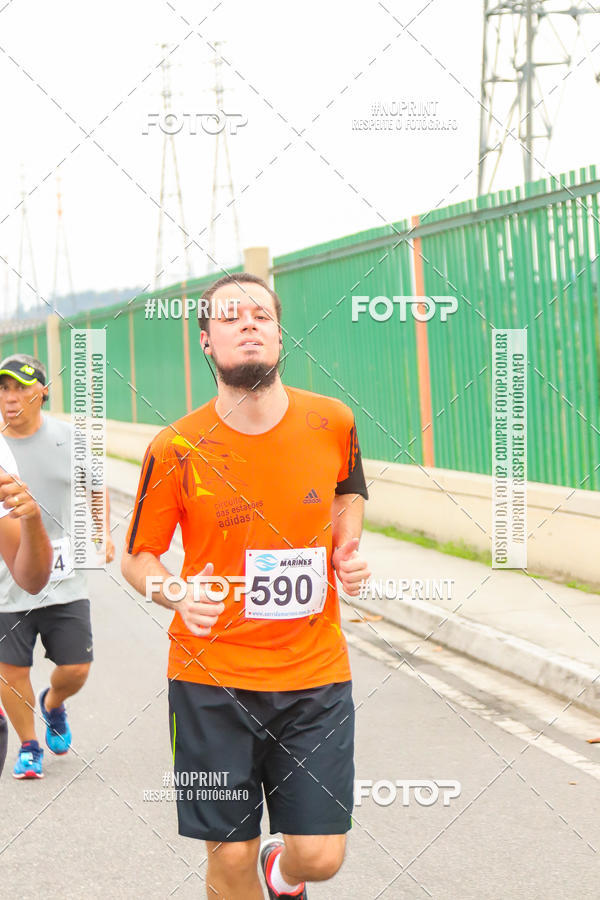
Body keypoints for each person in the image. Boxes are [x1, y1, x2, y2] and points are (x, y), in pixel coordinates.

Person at [122, 273, 370, 899]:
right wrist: (174, 593)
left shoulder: (332, 421)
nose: (249, 324)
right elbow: (138, 558)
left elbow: (348, 490)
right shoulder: (175, 446)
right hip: (211, 680)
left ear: (280, 332)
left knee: (320, 856)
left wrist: (345, 549)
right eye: (231, 318)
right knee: (228, 856)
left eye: (261, 314)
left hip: (314, 675)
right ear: (206, 341)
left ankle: (281, 874)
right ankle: (250, 867)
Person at [0, 354, 114, 780]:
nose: (11, 398)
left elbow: (95, 484)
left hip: (65, 580)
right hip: (6, 584)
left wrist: (101, 533)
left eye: (21, 388)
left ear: (42, 392)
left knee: (76, 668)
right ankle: (29, 745)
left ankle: (53, 703)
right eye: (3, 389)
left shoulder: (71, 438)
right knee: (11, 670)